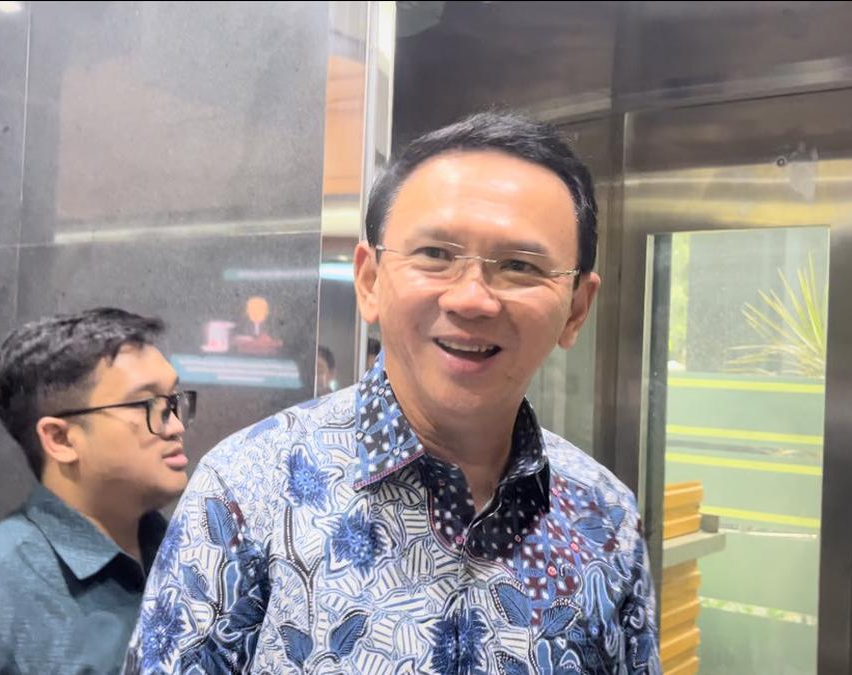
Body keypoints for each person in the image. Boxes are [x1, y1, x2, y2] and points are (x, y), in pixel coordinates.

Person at [126, 112, 661, 673]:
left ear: (576, 308)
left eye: (520, 266)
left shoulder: (605, 517)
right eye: (435, 255)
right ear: (370, 280)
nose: (471, 299)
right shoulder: (247, 491)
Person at [0, 308, 195, 674]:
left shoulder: (186, 556)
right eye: (146, 404)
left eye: (172, 401)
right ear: (60, 439)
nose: (176, 426)